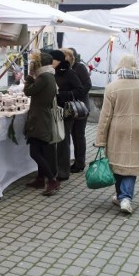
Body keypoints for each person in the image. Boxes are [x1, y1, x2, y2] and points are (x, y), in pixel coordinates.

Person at [95, 55, 139, 213]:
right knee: (132, 165)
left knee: (117, 163)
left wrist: (100, 139)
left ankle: (121, 196)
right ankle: (125, 198)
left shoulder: (112, 87)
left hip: (117, 130)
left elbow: (105, 116)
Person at [23, 52, 59, 195]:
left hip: (38, 119)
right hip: (43, 117)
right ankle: (40, 178)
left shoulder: (43, 77)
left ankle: (51, 180)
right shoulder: (50, 75)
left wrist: (29, 77)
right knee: (41, 151)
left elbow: (28, 91)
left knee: (35, 152)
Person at [51, 49, 85, 181]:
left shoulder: (70, 72)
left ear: (58, 60)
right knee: (56, 140)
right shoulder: (52, 72)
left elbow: (80, 90)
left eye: (52, 59)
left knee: (63, 142)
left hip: (66, 111)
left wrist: (61, 95)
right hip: (54, 110)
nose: (50, 62)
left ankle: (63, 172)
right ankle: (54, 169)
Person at [65, 48, 91, 173]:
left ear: (71, 56)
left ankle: (80, 163)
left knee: (78, 135)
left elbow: (87, 85)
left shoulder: (79, 67)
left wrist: (76, 95)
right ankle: (73, 160)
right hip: (70, 107)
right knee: (72, 134)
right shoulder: (66, 68)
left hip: (80, 107)